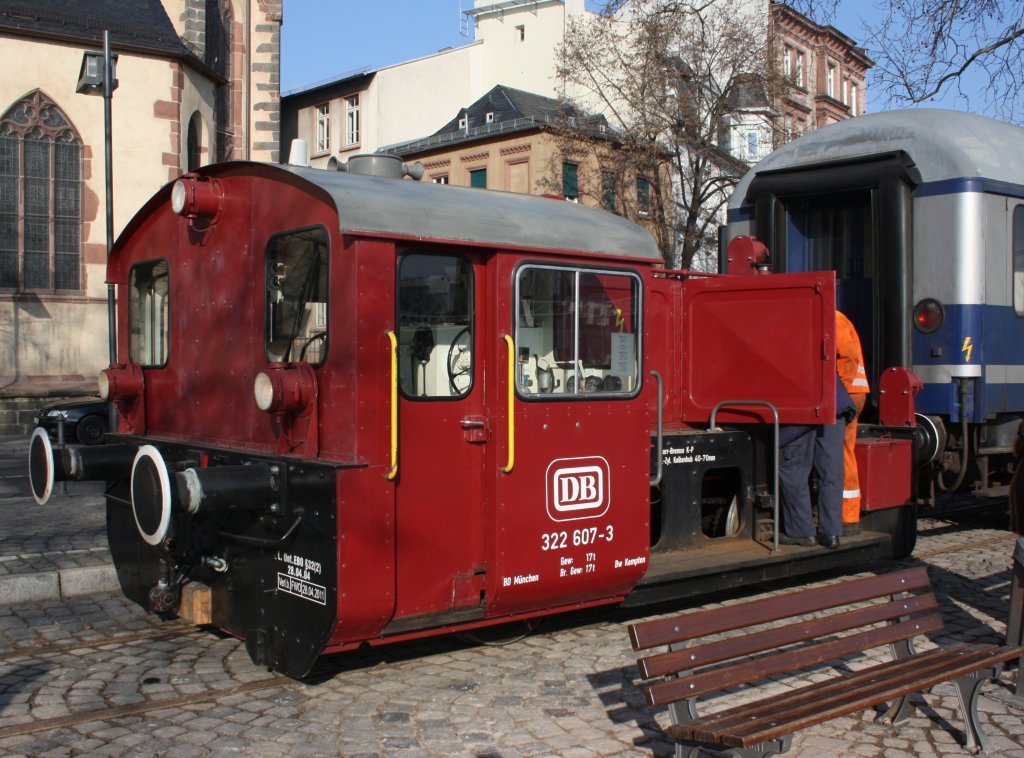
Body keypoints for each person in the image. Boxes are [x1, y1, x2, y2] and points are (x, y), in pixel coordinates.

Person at [777, 377, 856, 548]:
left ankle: (801, 532)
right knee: (831, 470)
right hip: (834, 401)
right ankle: (831, 533)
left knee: (794, 468)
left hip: (801, 404)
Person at [836, 311, 869, 536]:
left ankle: (847, 516)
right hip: (851, 392)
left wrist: (838, 391)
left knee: (841, 452)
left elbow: (847, 356)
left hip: (848, 393)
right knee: (842, 451)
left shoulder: (832, 317)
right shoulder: (836, 316)